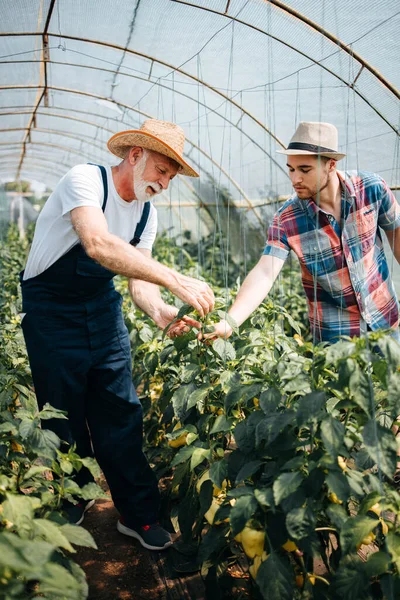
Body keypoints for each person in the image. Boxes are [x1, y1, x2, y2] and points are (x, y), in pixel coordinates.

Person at [20, 119, 214, 551]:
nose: (164, 183)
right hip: (50, 309)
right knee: (61, 410)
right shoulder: (86, 180)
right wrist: (175, 279)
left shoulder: (148, 213)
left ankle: (138, 515)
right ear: (135, 155)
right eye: (162, 171)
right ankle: (74, 496)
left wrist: (162, 313)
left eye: (171, 177)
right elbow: (98, 244)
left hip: (101, 308)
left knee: (121, 410)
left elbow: (137, 282)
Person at [205, 121, 400, 344]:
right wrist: (230, 322)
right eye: (291, 169)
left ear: (331, 165)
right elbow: (265, 272)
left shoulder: (371, 189)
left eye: (305, 170)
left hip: (386, 323)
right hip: (336, 340)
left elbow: (398, 237)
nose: (295, 179)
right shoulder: (287, 219)